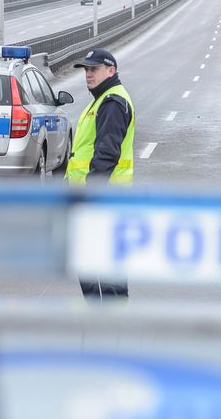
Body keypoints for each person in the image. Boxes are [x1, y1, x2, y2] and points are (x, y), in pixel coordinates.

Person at [66, 47, 135, 299]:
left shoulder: (112, 102)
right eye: (86, 69)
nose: (88, 74)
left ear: (111, 70)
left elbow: (107, 154)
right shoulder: (102, 100)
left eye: (94, 69)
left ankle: (109, 326)